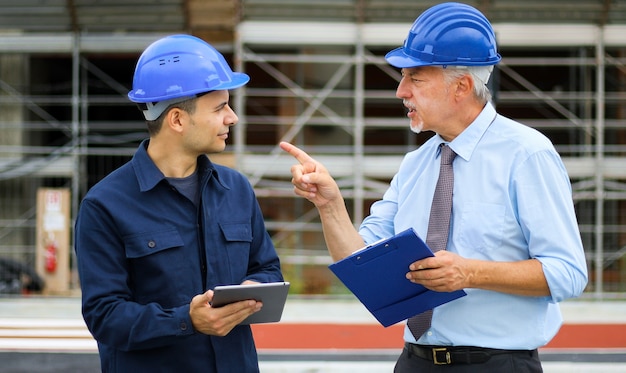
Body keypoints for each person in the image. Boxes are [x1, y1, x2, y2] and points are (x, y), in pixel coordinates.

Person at [281, 2, 587, 372]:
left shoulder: (527, 155)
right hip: (415, 362)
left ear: (461, 86)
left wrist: (471, 273)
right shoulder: (417, 164)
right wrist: (329, 204)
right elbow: (361, 262)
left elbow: (567, 273)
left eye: (415, 78)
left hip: (496, 365)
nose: (400, 91)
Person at [75, 34, 283, 373]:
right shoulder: (104, 205)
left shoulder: (236, 189)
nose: (232, 118)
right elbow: (104, 315)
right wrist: (186, 320)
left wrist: (252, 289)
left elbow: (267, 268)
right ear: (177, 120)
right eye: (220, 108)